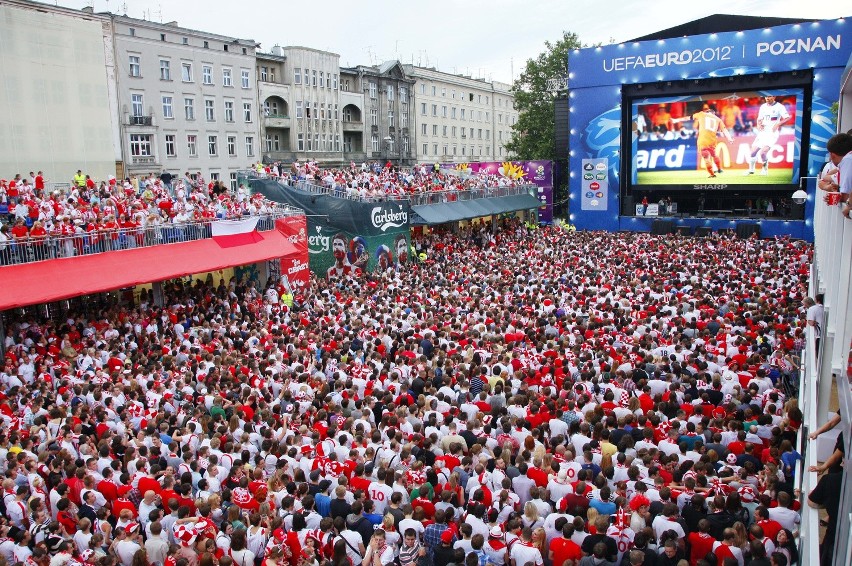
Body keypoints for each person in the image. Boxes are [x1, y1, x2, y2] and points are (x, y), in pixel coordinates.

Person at [745, 95, 790, 176]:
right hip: (763, 132)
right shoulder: (763, 106)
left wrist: (778, 124)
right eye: (766, 97)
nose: (767, 98)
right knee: (752, 152)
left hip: (772, 133)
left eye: (769, 97)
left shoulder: (780, 107)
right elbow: (759, 118)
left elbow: (787, 117)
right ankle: (751, 170)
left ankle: (765, 169)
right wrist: (759, 125)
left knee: (762, 152)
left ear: (774, 97)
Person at [692, 104, 732, 178]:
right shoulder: (717, 119)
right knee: (714, 155)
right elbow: (724, 130)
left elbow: (690, 120)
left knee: (707, 159)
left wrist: (677, 120)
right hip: (712, 141)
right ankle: (719, 169)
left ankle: (712, 174)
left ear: (707, 111)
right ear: (714, 113)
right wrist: (729, 138)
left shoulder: (702, 114)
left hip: (703, 140)